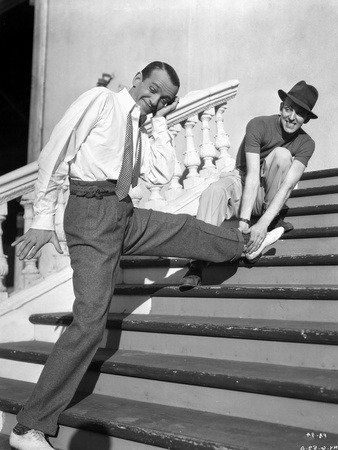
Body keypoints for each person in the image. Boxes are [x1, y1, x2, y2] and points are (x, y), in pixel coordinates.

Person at [9, 61, 282, 450]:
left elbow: (161, 175)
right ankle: (29, 427)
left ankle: (245, 244)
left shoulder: (141, 126)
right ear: (137, 80)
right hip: (90, 215)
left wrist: (156, 124)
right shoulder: (101, 101)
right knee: (90, 321)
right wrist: (41, 217)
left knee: (183, 227)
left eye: (164, 99)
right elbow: (56, 153)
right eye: (152, 90)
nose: (154, 100)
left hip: (123, 213)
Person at [180, 80, 319, 288]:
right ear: (281, 108)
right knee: (213, 191)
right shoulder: (258, 124)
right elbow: (252, 175)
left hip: (266, 197)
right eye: (289, 109)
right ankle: (197, 263)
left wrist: (262, 224)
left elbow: (288, 185)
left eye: (299, 113)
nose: (292, 117)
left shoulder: (306, 143)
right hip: (242, 180)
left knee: (282, 155)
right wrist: (244, 223)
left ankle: (270, 222)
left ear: (306, 119)